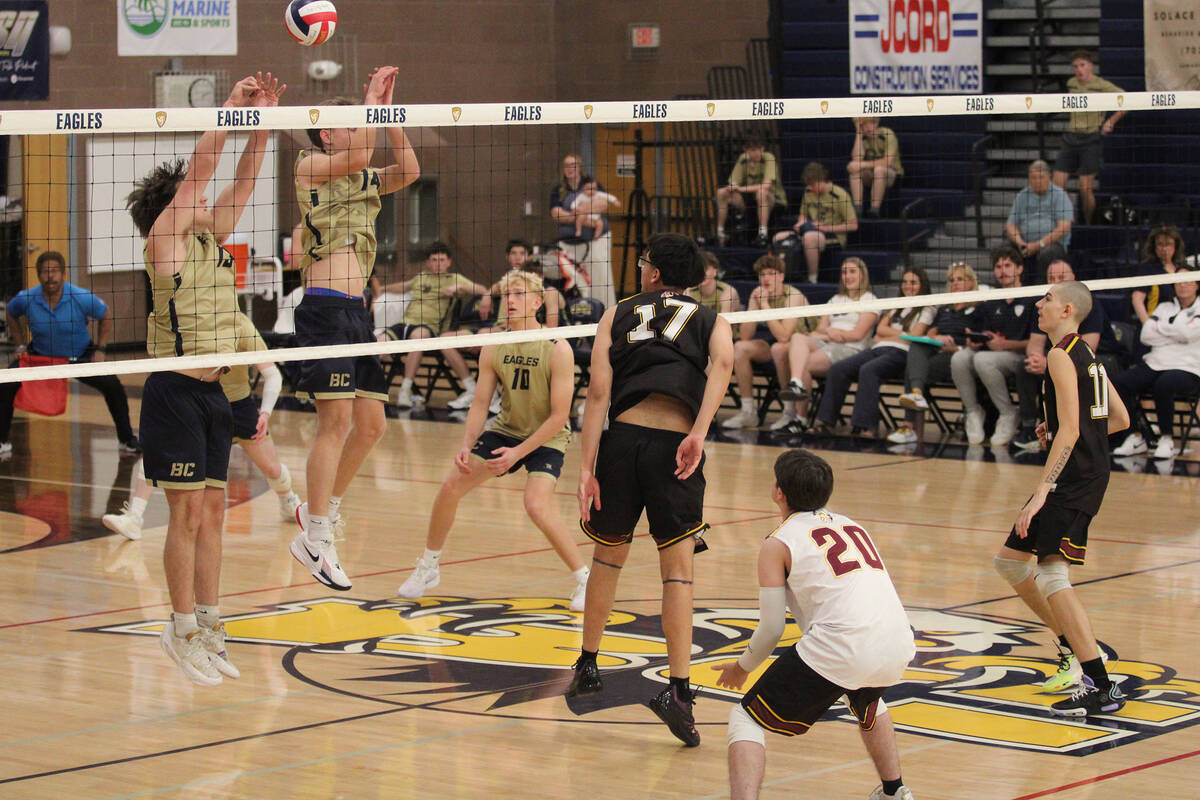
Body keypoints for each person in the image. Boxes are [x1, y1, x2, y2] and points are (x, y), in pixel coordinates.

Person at [126, 71, 282, 685]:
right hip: (175, 393)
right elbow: (203, 170)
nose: (204, 198)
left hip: (216, 391)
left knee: (214, 514)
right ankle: (180, 627)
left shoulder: (209, 239)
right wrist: (230, 108)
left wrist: (260, 123)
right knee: (186, 516)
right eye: (193, 194)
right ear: (173, 205)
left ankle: (211, 625)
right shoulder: (164, 241)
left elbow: (243, 180)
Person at [567, 232, 734, 748]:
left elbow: (598, 392)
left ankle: (588, 664)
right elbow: (724, 366)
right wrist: (699, 433)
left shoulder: (616, 313)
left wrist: (587, 467)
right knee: (678, 574)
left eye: (643, 263)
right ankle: (679, 692)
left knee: (607, 558)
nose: (640, 269)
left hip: (622, 444)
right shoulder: (712, 319)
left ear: (655, 273)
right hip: (675, 446)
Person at [714, 449, 916, 800]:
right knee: (867, 700)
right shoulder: (851, 524)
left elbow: (772, 628)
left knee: (745, 718)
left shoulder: (778, 542)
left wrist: (741, 667)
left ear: (778, 492)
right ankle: (894, 792)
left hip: (844, 645)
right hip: (898, 642)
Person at [291, 66, 420, 591]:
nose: (360, 128)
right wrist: (370, 100)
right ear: (327, 133)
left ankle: (321, 510)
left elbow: (409, 168)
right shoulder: (309, 165)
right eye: (352, 122)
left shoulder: (364, 177)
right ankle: (316, 538)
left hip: (357, 313)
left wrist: (388, 114)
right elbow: (361, 153)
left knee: (372, 426)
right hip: (324, 308)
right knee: (337, 423)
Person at [396, 272, 590, 607]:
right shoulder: (495, 344)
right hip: (506, 429)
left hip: (547, 436)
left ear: (537, 302)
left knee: (536, 505)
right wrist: (466, 444)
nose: (510, 301)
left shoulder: (558, 348)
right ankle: (428, 566)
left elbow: (560, 417)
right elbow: (481, 402)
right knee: (449, 487)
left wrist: (518, 453)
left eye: (519, 294)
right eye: (506, 295)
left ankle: (585, 579)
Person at [995, 279, 1131, 716]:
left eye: (1048, 299)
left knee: (1053, 577)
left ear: (1068, 310)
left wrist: (1041, 491)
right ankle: (1074, 647)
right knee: (1010, 562)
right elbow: (1119, 419)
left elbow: (1072, 430)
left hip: (1073, 479)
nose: (1040, 303)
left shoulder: (1058, 355)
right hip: (1085, 471)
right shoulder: (1086, 354)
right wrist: (1056, 430)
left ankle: (1100, 684)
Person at [102, 312, 301, 540]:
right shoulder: (187, 319)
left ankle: (288, 500)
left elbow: (273, 375)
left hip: (238, 407)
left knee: (272, 469)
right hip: (198, 402)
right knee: (160, 449)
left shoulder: (240, 324)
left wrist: (265, 412)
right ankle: (134, 517)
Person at [0, 251, 141, 459]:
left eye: (55, 271)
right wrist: (20, 345)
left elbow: (105, 315)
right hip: (40, 357)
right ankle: (2, 441)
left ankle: (127, 439)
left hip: (79, 356)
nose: (50, 276)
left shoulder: (80, 296)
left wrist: (100, 349)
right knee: (6, 384)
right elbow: (11, 313)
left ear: (63, 274)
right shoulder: (27, 298)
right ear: (38, 275)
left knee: (113, 386)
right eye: (45, 272)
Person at [814, 268, 934, 437]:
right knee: (838, 368)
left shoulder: (928, 307)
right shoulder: (896, 305)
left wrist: (891, 335)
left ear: (923, 285)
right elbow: (879, 331)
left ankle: (866, 426)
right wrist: (902, 335)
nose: (908, 286)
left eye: (913, 282)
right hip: (877, 348)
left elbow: (914, 337)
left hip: (901, 353)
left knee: (869, 370)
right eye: (905, 282)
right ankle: (826, 422)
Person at [381, 241, 490, 409]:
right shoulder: (421, 277)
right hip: (404, 323)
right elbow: (404, 286)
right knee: (378, 343)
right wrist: (381, 289)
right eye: (434, 260)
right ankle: (370, 387)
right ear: (428, 262)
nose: (438, 264)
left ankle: (405, 390)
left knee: (417, 339)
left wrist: (460, 287)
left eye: (441, 260)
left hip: (429, 328)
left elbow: (482, 289)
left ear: (449, 262)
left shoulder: (454, 278)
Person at [1014, 259, 1110, 450]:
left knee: (1068, 427)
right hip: (1092, 460)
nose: (1055, 281)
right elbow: (1122, 419)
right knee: (1026, 366)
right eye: (1051, 277)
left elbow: (1088, 350)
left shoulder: (1087, 304)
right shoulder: (1045, 310)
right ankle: (1030, 426)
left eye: (1061, 277)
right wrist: (1041, 361)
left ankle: (1057, 424)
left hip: (1101, 359)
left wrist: (1069, 433)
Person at [777, 257, 879, 430]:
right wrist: (832, 333)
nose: (848, 276)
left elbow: (858, 334)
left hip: (851, 349)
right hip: (829, 341)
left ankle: (800, 419)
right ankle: (796, 383)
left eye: (852, 271)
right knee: (798, 337)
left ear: (862, 274)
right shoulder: (836, 299)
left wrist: (835, 333)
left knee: (803, 364)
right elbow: (820, 328)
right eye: (844, 272)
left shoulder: (870, 299)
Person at [951, 247, 1036, 446]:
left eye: (1007, 265)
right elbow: (985, 333)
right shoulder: (991, 301)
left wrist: (1004, 344)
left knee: (983, 359)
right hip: (994, 355)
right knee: (960, 358)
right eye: (998, 267)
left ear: (1020, 269)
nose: (1002, 270)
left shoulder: (1032, 298)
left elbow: (1035, 343)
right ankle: (973, 412)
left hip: (1020, 355)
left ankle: (1008, 413)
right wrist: (976, 341)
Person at [889, 263, 980, 445]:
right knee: (916, 348)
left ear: (971, 282)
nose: (955, 283)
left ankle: (909, 425)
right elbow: (931, 332)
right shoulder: (945, 308)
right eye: (951, 280)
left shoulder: (978, 308)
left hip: (959, 355)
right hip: (939, 350)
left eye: (960, 279)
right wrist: (937, 337)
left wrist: (955, 347)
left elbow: (977, 340)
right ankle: (916, 395)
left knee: (914, 369)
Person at [1110, 279, 1200, 461]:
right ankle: (1135, 435)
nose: (1183, 285)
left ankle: (1167, 438)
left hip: (1189, 367)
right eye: (1179, 282)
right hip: (1156, 362)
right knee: (1118, 383)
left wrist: (1161, 329)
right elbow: (1146, 335)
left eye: (1188, 282)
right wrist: (1176, 332)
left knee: (1164, 383)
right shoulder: (1164, 308)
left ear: (1197, 285)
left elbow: (1188, 334)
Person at [722, 254, 814, 431]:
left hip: (803, 344)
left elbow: (784, 336)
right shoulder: (758, 294)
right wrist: (754, 304)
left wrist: (764, 305)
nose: (766, 279)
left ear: (781, 276)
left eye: (771, 274)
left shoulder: (793, 295)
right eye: (762, 275)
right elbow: (745, 336)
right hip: (776, 345)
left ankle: (789, 412)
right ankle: (748, 411)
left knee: (779, 348)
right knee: (740, 348)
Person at [1052, 50, 1126, 224]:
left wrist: (1111, 121)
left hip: (1091, 138)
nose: (1079, 70)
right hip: (1071, 137)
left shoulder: (1101, 85)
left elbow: (1126, 101)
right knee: (1057, 186)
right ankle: (1069, 220)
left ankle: (1088, 224)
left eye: (1082, 65)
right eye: (1075, 66)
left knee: (1085, 188)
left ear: (1091, 66)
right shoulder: (1071, 83)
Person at [772, 162, 857, 283]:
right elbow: (803, 215)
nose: (810, 188)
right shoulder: (808, 193)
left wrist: (826, 228)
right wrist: (800, 223)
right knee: (778, 238)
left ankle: (812, 278)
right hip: (811, 229)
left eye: (813, 185)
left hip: (833, 235)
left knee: (810, 238)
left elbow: (853, 225)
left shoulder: (839, 195)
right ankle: (784, 276)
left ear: (821, 180)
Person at [550, 153, 615, 309]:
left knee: (600, 279)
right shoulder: (558, 189)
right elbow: (556, 213)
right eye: (566, 165)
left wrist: (577, 212)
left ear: (579, 167)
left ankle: (604, 311)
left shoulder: (591, 184)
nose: (570, 168)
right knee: (575, 280)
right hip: (569, 244)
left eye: (573, 165)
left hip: (595, 242)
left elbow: (603, 204)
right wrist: (583, 218)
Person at [715, 134, 787, 248]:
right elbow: (733, 182)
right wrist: (732, 187)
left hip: (773, 200)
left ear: (762, 149)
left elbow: (766, 186)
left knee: (761, 192)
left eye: (759, 149)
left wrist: (740, 189)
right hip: (750, 200)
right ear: (746, 150)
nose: (757, 153)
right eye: (753, 150)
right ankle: (720, 233)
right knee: (721, 192)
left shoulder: (768, 157)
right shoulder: (743, 159)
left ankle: (763, 234)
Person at [1005, 160, 1073, 274]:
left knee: (1048, 254)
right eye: (1033, 177)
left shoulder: (1060, 195)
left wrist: (1038, 245)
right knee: (1004, 251)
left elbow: (1063, 228)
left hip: (1051, 244)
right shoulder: (1022, 195)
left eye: (1041, 177)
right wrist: (1020, 242)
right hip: (1024, 243)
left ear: (1049, 177)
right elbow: (1010, 225)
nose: (1037, 181)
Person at [847, 116, 903, 219]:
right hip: (871, 174)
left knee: (879, 170)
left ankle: (875, 210)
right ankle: (858, 209)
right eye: (863, 125)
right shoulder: (862, 138)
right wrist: (858, 133)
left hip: (892, 174)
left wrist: (862, 165)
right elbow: (856, 159)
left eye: (871, 123)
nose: (867, 127)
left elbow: (888, 161)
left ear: (876, 123)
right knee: (854, 169)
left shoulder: (887, 134)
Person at [1131, 224, 1186, 324]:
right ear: (1154, 247)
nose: (1164, 249)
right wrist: (1148, 325)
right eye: (1160, 244)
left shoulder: (1182, 267)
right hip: (1156, 323)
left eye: (1168, 244)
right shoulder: (1147, 268)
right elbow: (1137, 299)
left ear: (1176, 246)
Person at [687, 250, 740, 315]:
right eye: (698, 270)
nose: (701, 274)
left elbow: (725, 320)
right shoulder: (688, 291)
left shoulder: (728, 292)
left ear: (715, 271)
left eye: (705, 269)